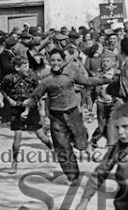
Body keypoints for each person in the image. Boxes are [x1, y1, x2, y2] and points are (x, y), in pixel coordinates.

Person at [23, 49, 110, 183]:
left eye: (58, 60)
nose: (56, 63)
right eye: (53, 60)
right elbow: (34, 97)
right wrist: (26, 110)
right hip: (56, 116)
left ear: (63, 61)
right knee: (62, 147)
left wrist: (106, 80)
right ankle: (73, 176)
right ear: (49, 62)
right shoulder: (46, 81)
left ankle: (86, 148)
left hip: (73, 113)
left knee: (81, 142)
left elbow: (87, 81)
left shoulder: (71, 73)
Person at [0, 57, 53, 174]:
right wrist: (8, 99)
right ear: (17, 67)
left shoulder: (32, 77)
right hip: (16, 110)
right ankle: (14, 163)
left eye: (28, 66)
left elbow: (38, 92)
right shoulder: (9, 78)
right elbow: (2, 89)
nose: (27, 68)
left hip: (31, 109)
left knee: (41, 136)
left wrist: (30, 104)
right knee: (17, 138)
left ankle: (53, 149)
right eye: (25, 66)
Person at [90, 50, 118, 148]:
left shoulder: (116, 73)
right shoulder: (99, 73)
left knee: (111, 123)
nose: (105, 63)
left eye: (107, 61)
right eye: (103, 61)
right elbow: (93, 88)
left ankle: (111, 143)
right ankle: (94, 139)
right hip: (101, 102)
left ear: (113, 62)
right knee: (102, 126)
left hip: (113, 102)